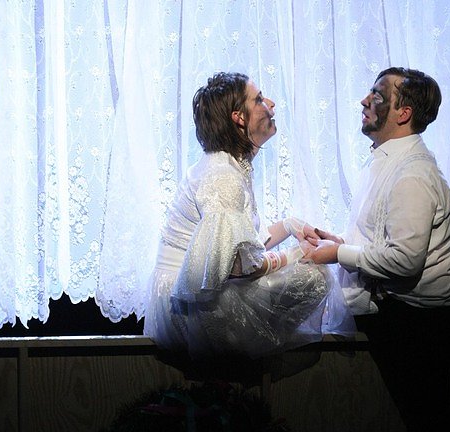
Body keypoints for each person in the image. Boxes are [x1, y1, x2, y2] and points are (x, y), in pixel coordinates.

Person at [306, 67, 450, 432]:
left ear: (403, 112)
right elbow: (389, 244)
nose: (365, 100)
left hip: (417, 328)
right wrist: (339, 244)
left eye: (378, 95)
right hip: (407, 323)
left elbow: (403, 262)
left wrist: (339, 254)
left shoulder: (413, 175)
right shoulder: (392, 164)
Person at [144, 72, 353, 361]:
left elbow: (243, 245)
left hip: (193, 297)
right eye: (259, 99)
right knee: (315, 277)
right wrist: (297, 254)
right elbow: (238, 267)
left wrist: (291, 226)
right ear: (239, 118)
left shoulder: (229, 165)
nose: (271, 104)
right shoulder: (222, 176)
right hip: (192, 308)